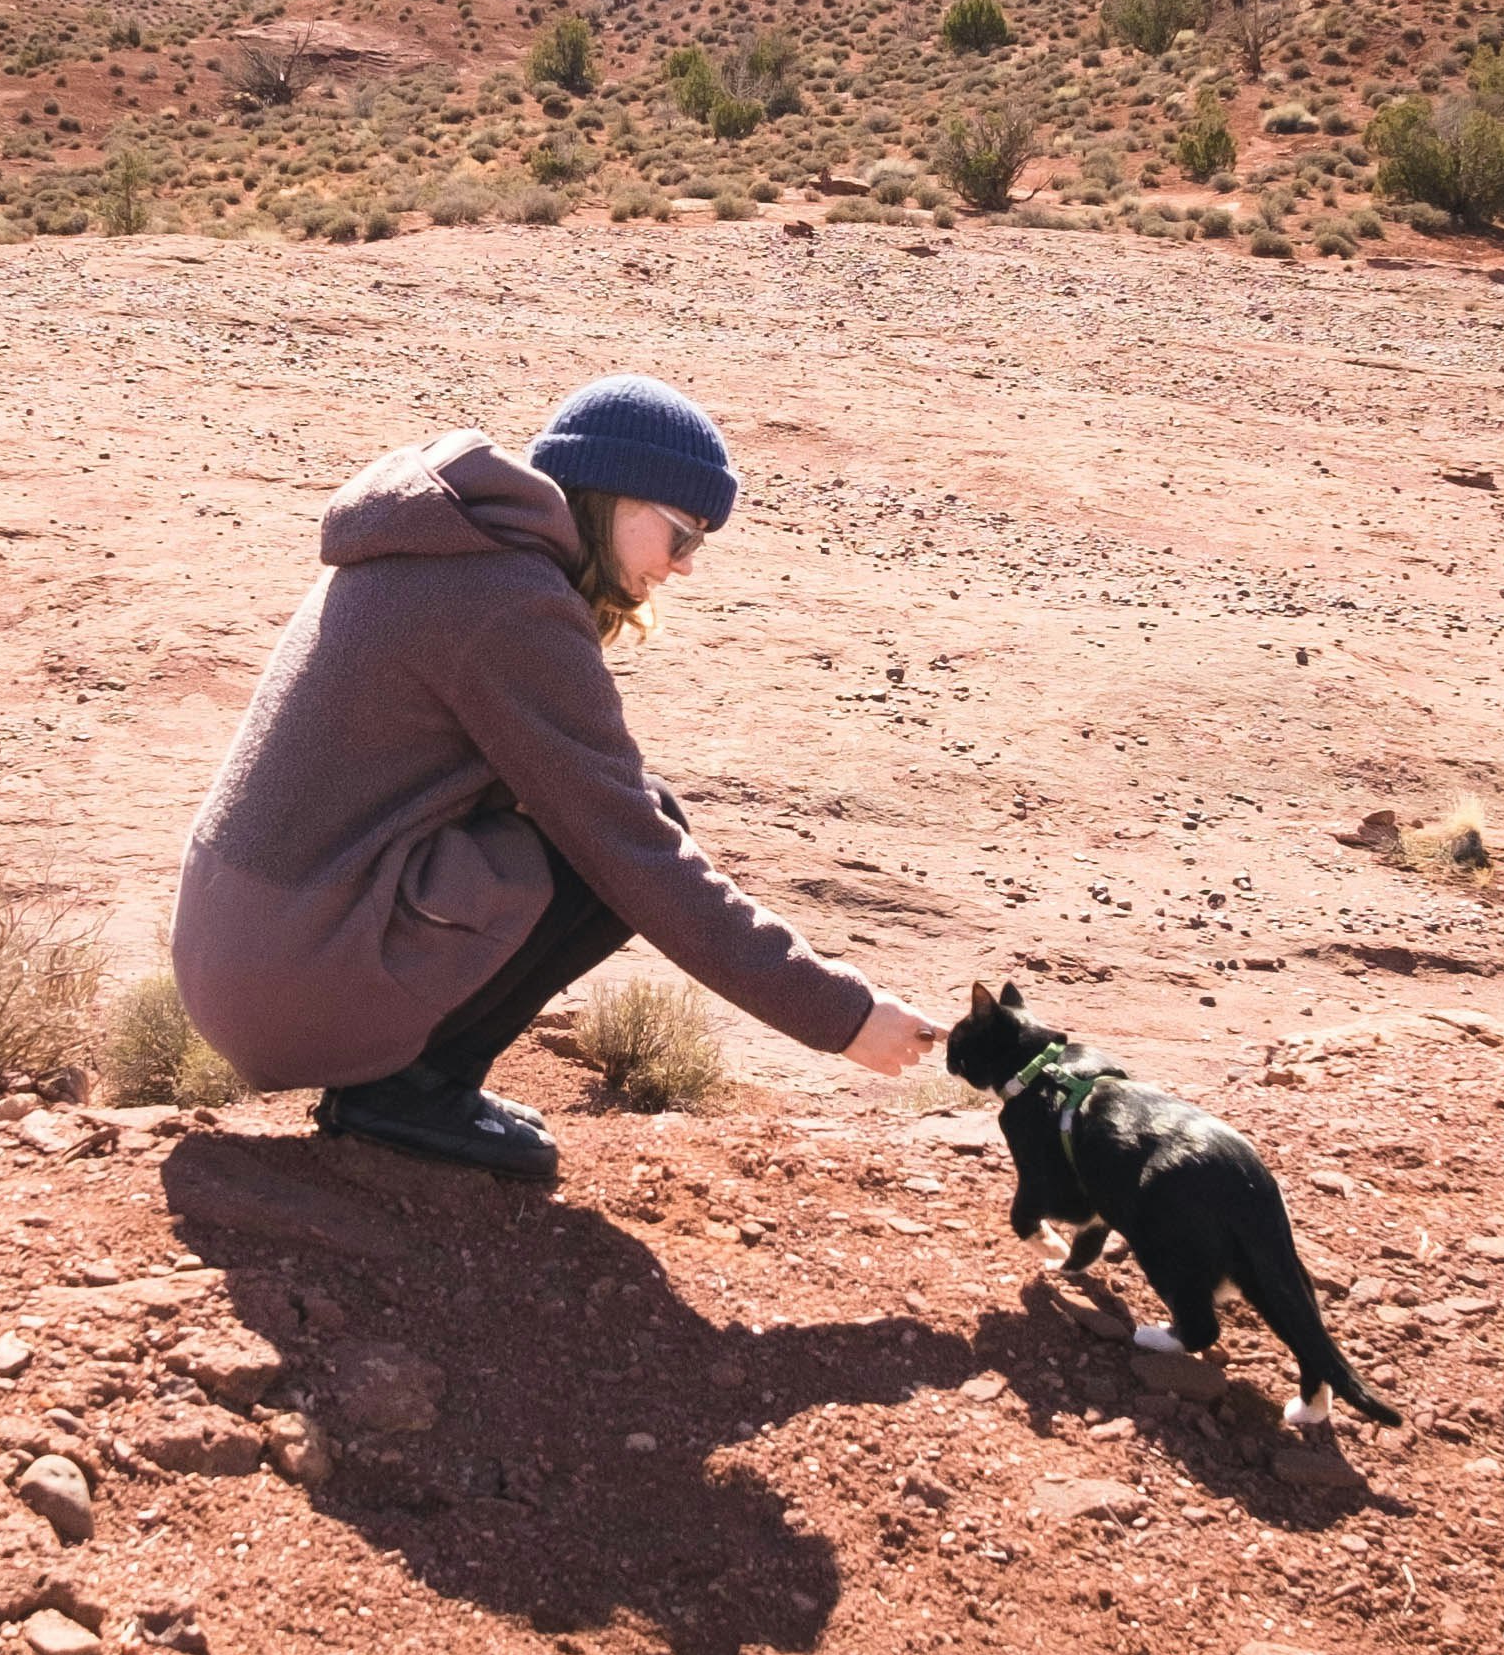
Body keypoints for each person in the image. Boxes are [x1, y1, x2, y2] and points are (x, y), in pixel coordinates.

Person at [171, 372, 944, 1180]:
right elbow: (633, 852)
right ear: (612, 499)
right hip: (289, 979)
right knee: (621, 844)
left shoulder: (448, 541)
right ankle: (406, 1095)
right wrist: (841, 1014)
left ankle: (415, 1082)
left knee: (615, 818)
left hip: (244, 948)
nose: (685, 569)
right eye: (683, 536)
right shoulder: (508, 603)